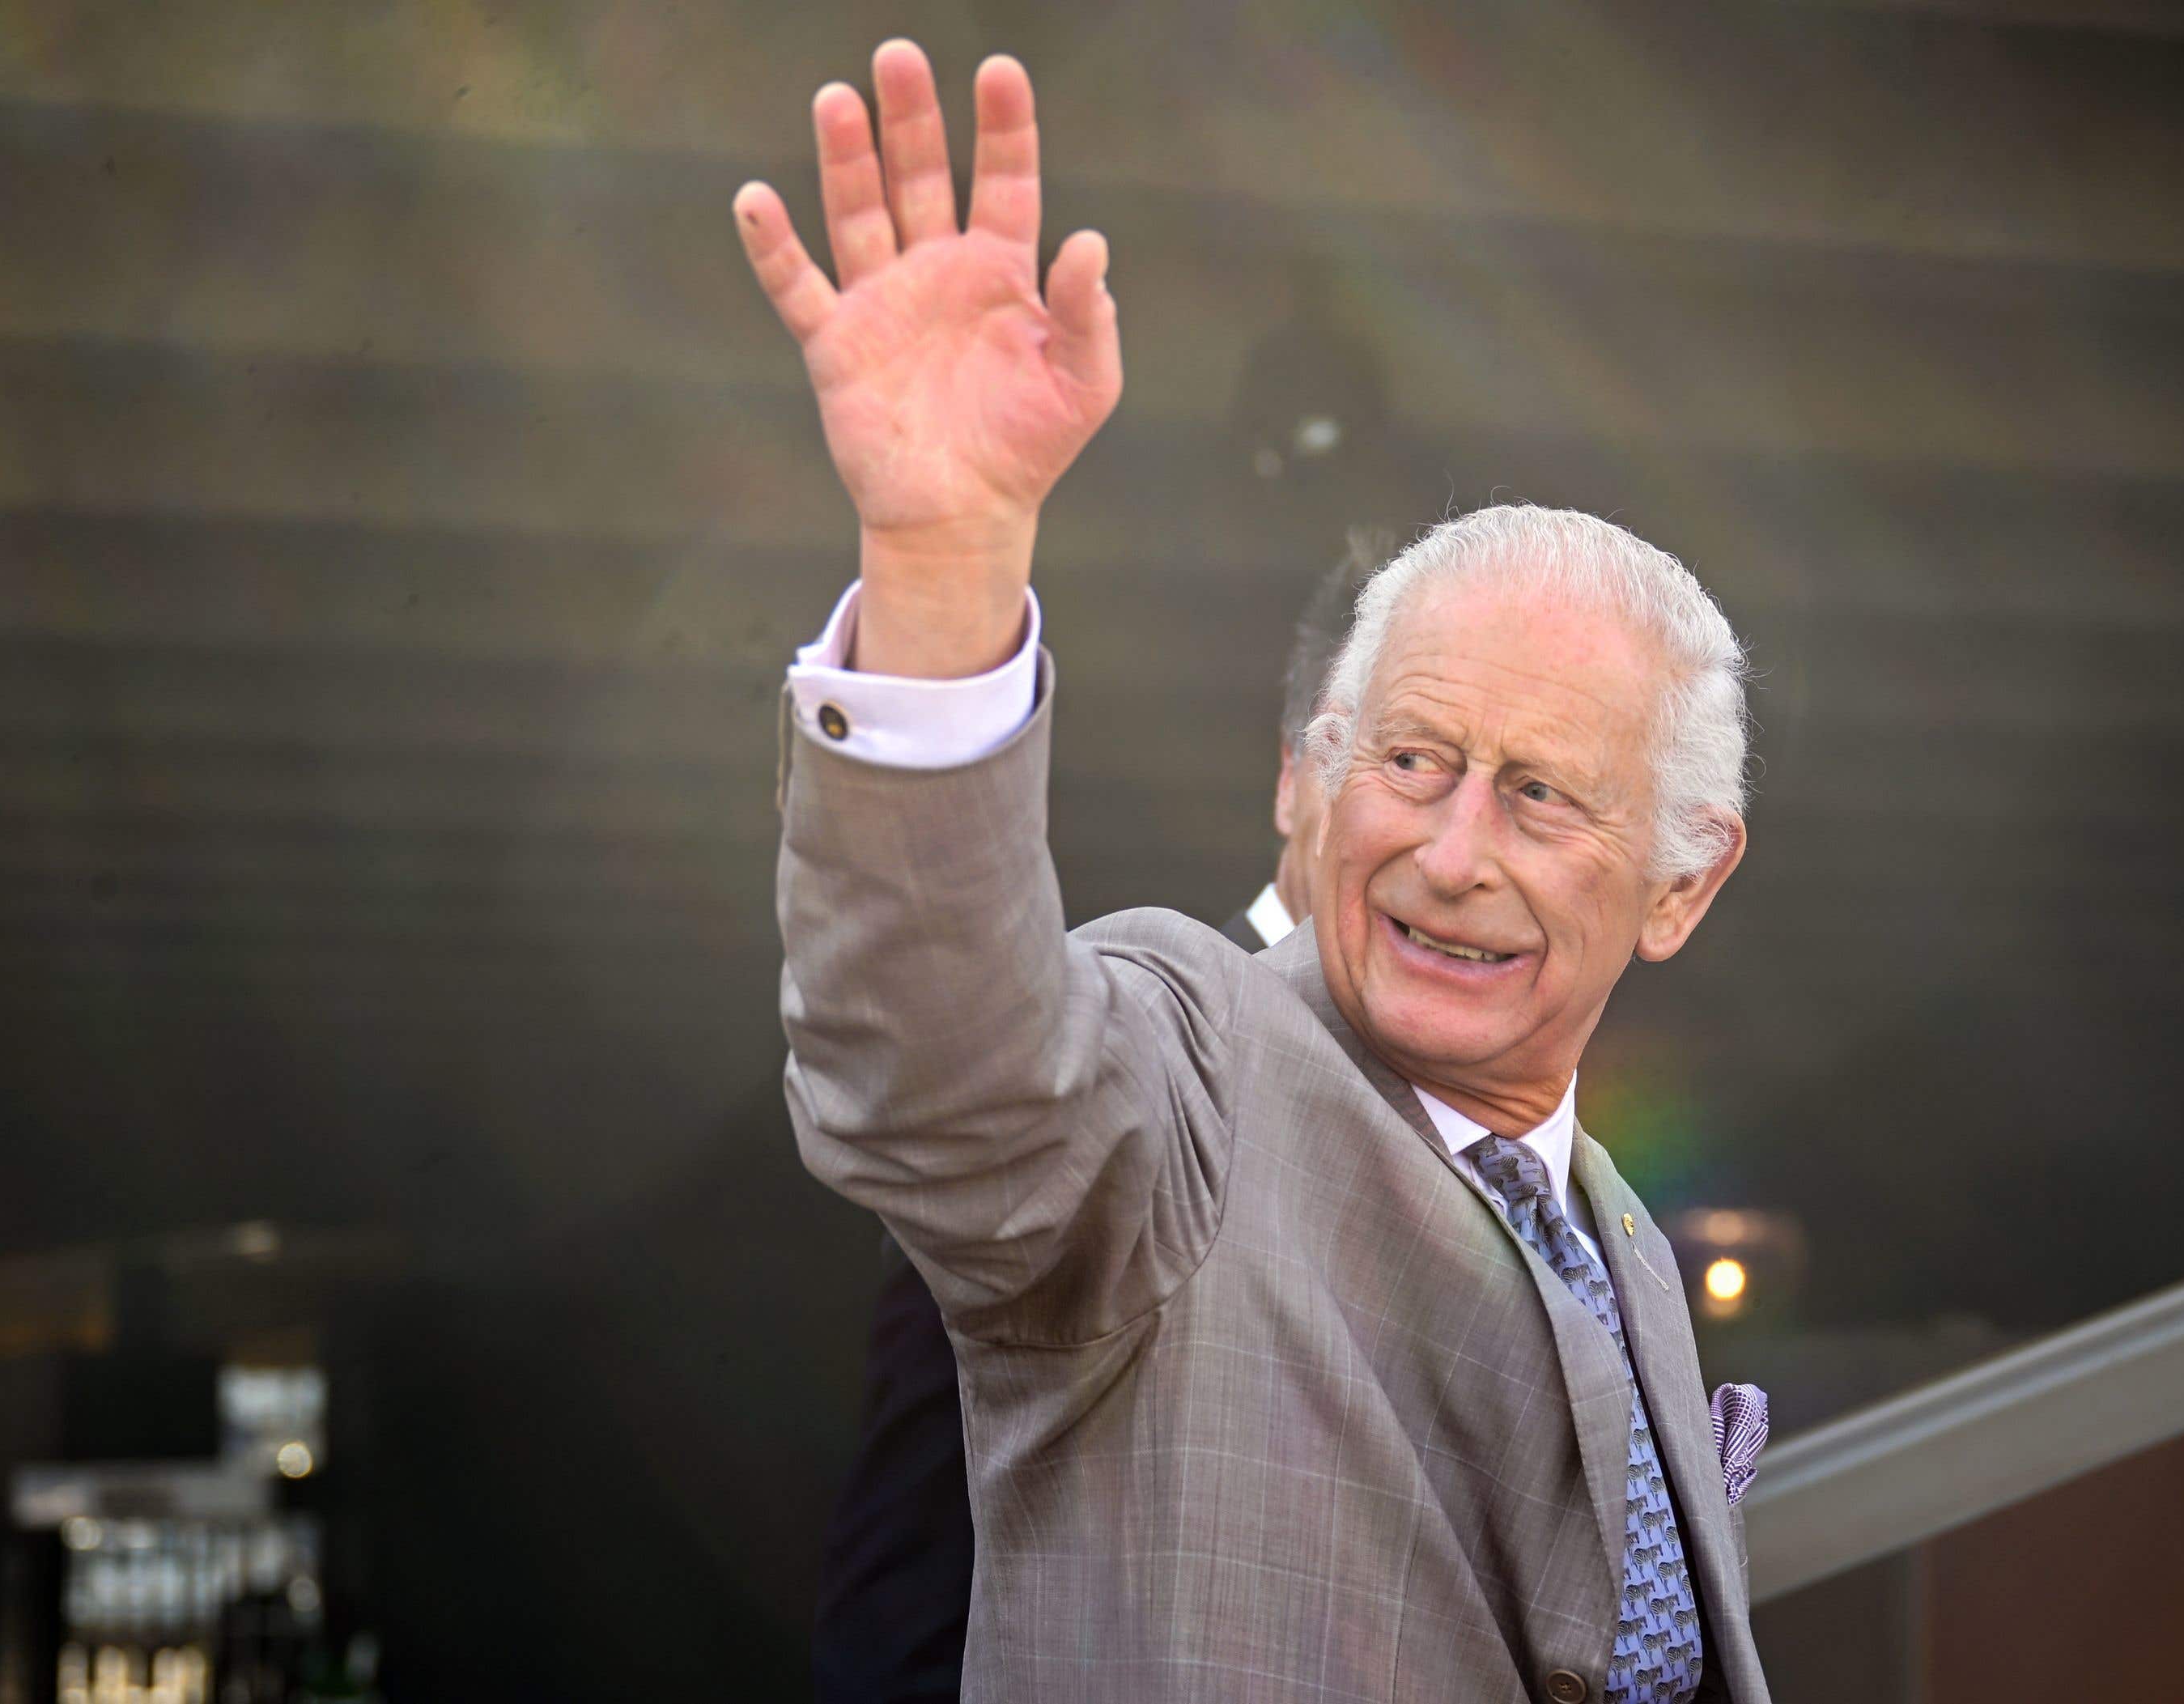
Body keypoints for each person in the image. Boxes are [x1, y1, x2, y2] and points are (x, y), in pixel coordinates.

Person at [736, 40, 1770, 1704]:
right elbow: (943, 1077)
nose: (1452, 854)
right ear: (1309, 774)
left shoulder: (1622, 1240)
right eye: (1414, 764)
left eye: (1538, 798)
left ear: (1679, 884)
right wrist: (941, 563)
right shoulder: (1195, 1082)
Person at [811, 538, 1382, 1704]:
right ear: (1292, 775)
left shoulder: (1522, 1153)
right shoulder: (1101, 1066)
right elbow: (913, 1568)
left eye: (1521, 780)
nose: (1450, 825)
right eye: (1402, 751)